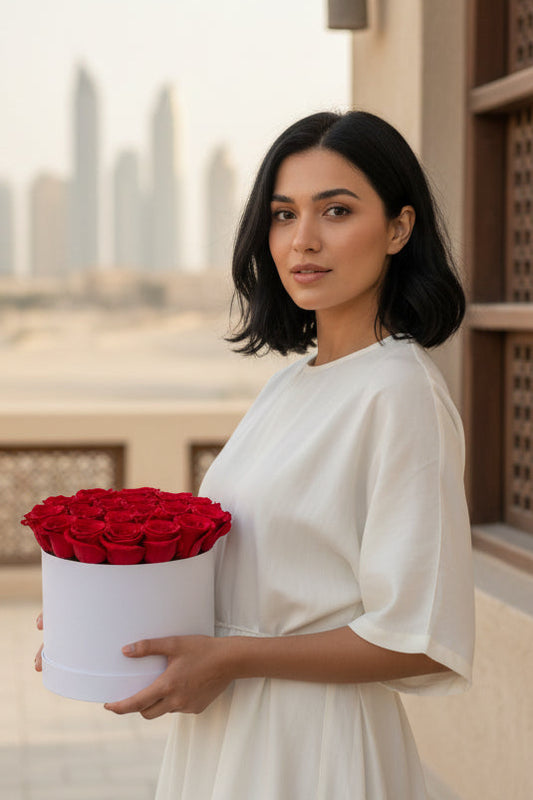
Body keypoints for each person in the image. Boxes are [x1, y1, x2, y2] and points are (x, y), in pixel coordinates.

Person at [36, 110, 475, 799]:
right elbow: (259, 577)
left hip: (315, 742)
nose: (302, 240)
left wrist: (233, 656)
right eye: (282, 214)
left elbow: (415, 634)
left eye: (335, 210)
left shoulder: (399, 394)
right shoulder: (288, 385)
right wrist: (106, 619)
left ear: (398, 228)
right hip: (225, 726)